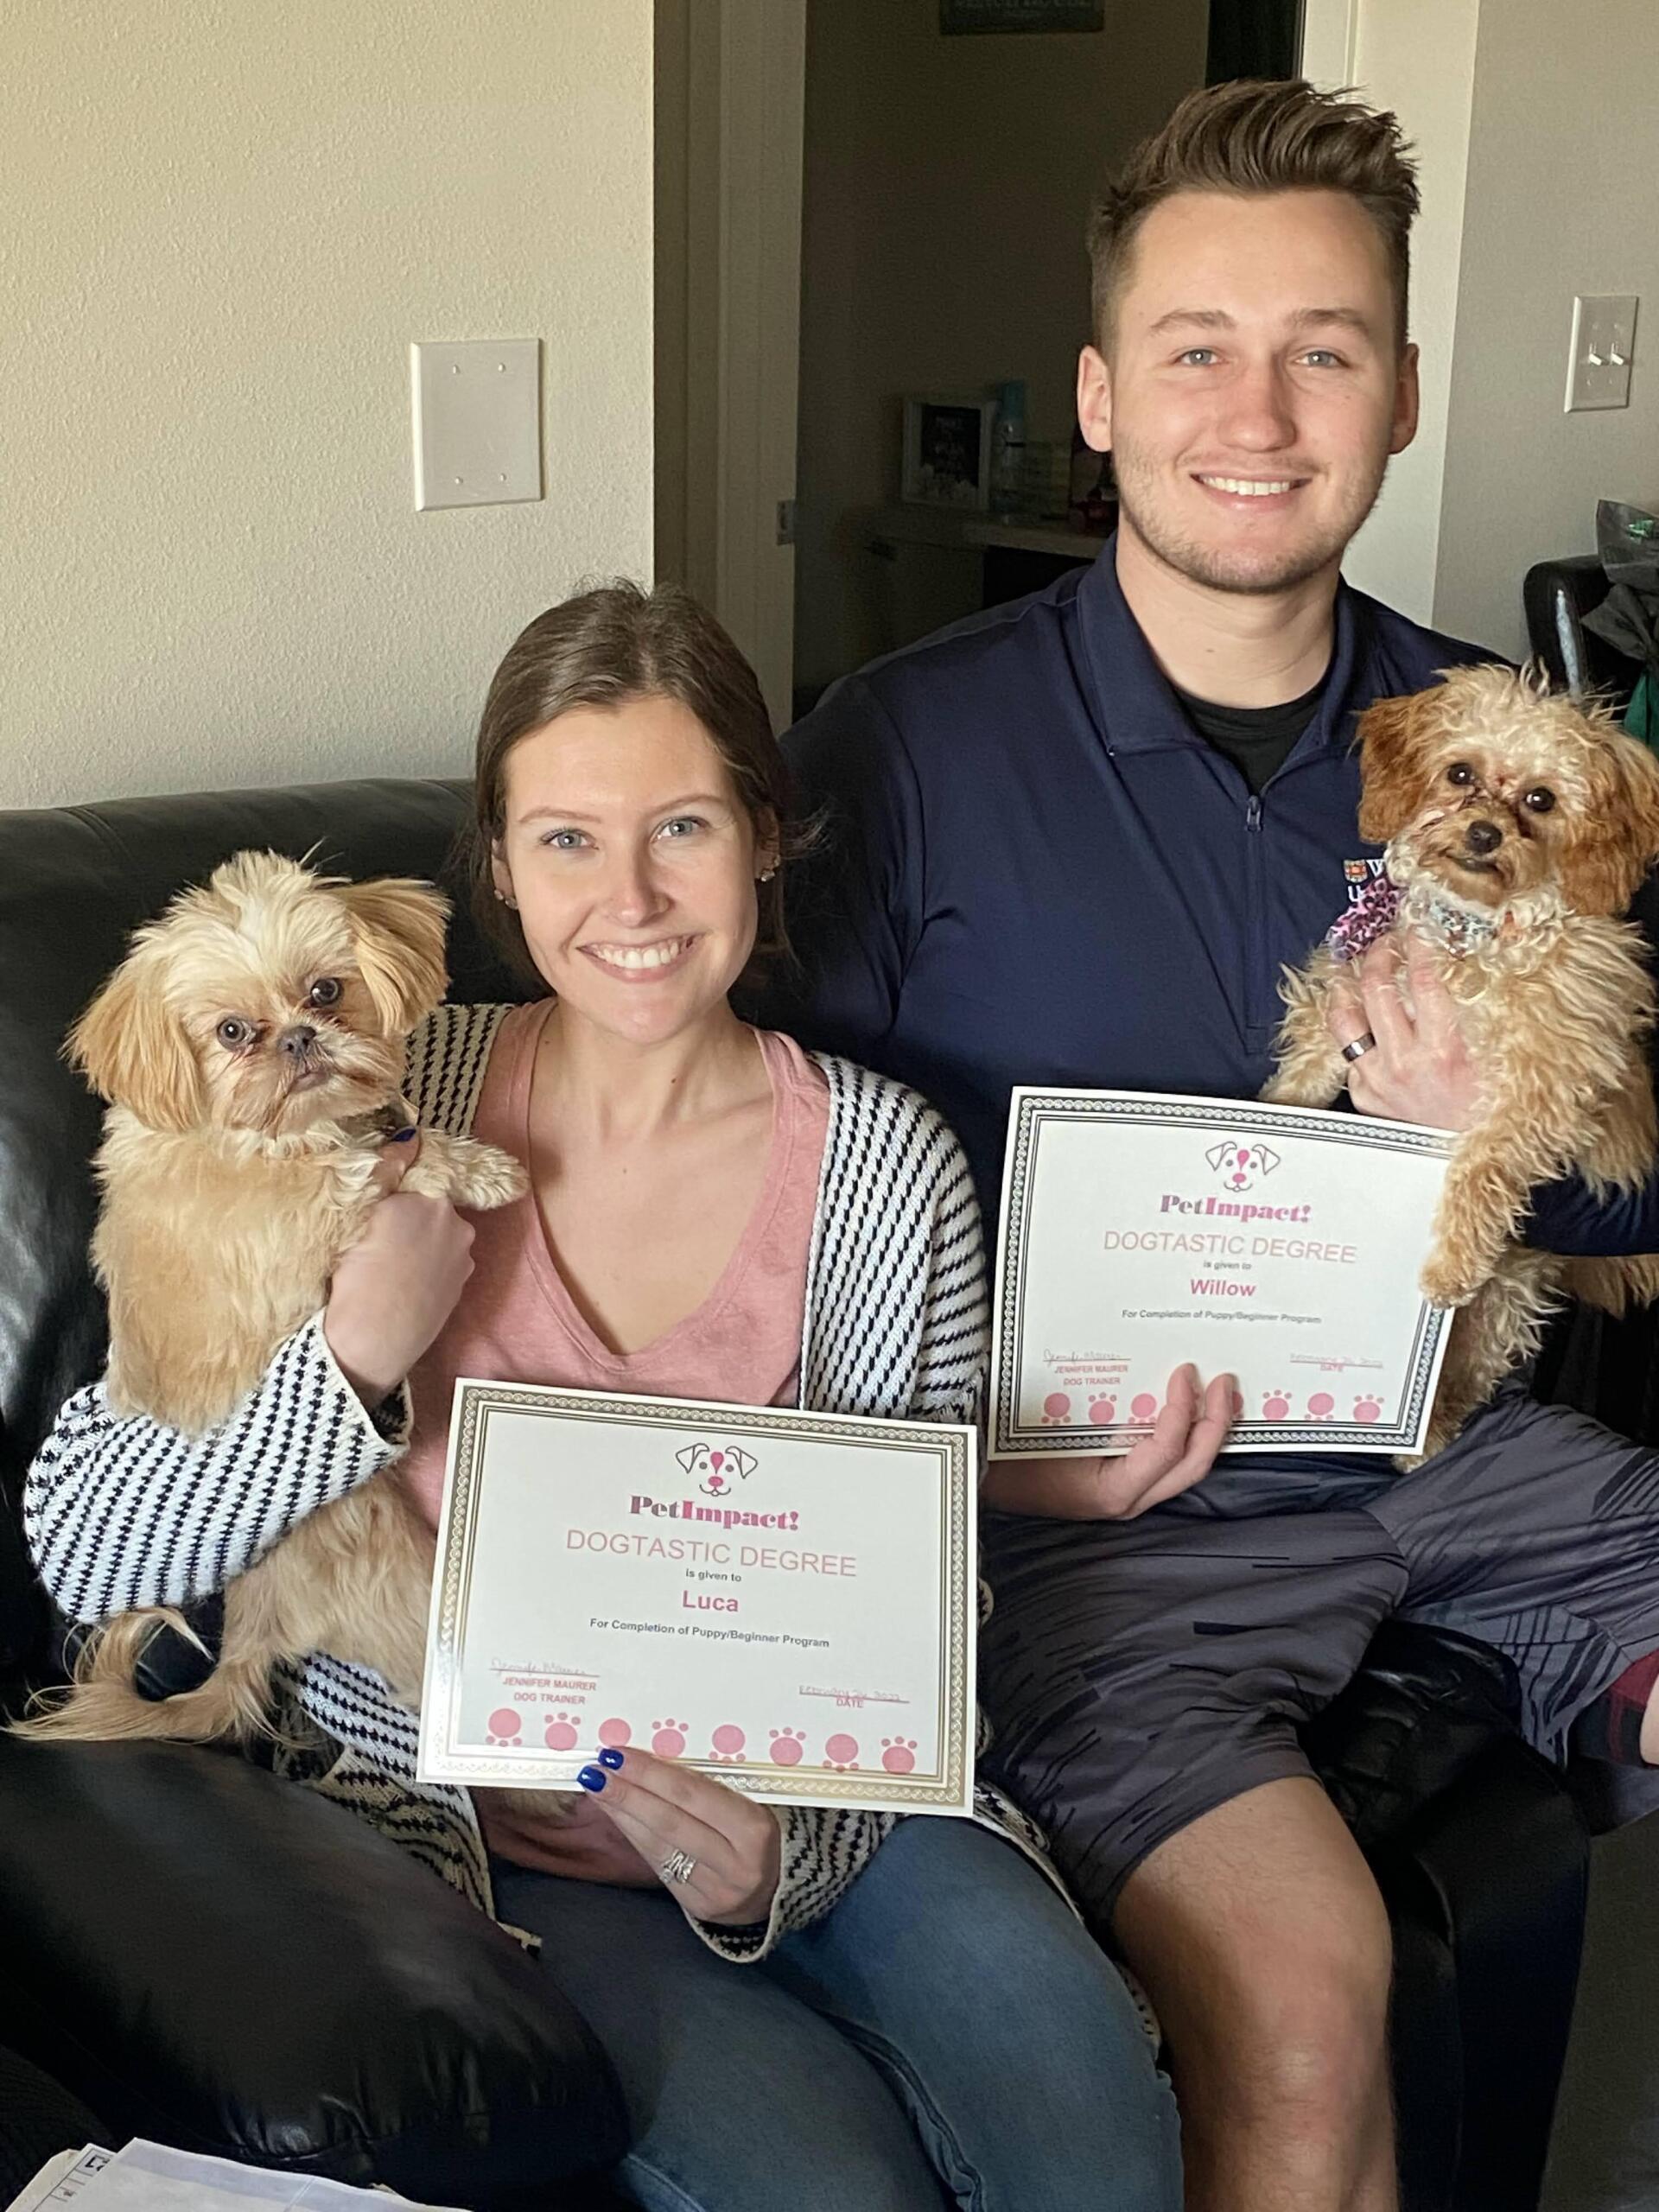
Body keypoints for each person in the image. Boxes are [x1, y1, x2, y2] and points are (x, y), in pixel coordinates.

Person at [772, 79, 1659, 2212]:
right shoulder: (899, 753)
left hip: (1461, 1453)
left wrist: (1496, 1146)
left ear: (1405, 392)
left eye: (1325, 348)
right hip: (1098, 1535)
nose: (1257, 410)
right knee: (1302, 1989)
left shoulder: (1498, 752)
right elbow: (759, 1221)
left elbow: (1639, 1184)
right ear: (1098, 392)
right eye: (1197, 347)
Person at [25, 582, 1181, 2212]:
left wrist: (791, 1855)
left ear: (768, 840)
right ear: (494, 865)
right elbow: (89, 1553)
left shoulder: (885, 1165)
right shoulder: (347, 1099)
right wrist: (350, 1362)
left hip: (829, 1818)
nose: (630, 898)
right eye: (566, 839)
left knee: (1104, 2156)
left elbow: (923, 1611)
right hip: (492, 1843)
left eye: (686, 826)